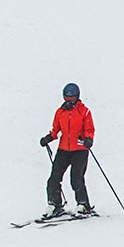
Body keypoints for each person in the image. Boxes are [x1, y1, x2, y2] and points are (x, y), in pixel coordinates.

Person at [39, 83, 95, 219]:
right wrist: (48, 138)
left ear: (77, 97)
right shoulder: (60, 112)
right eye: (66, 97)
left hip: (80, 149)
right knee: (54, 178)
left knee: (76, 178)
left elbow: (89, 129)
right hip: (63, 149)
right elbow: (56, 130)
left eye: (72, 97)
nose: (69, 100)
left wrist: (89, 139)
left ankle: (83, 204)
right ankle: (55, 204)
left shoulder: (84, 111)